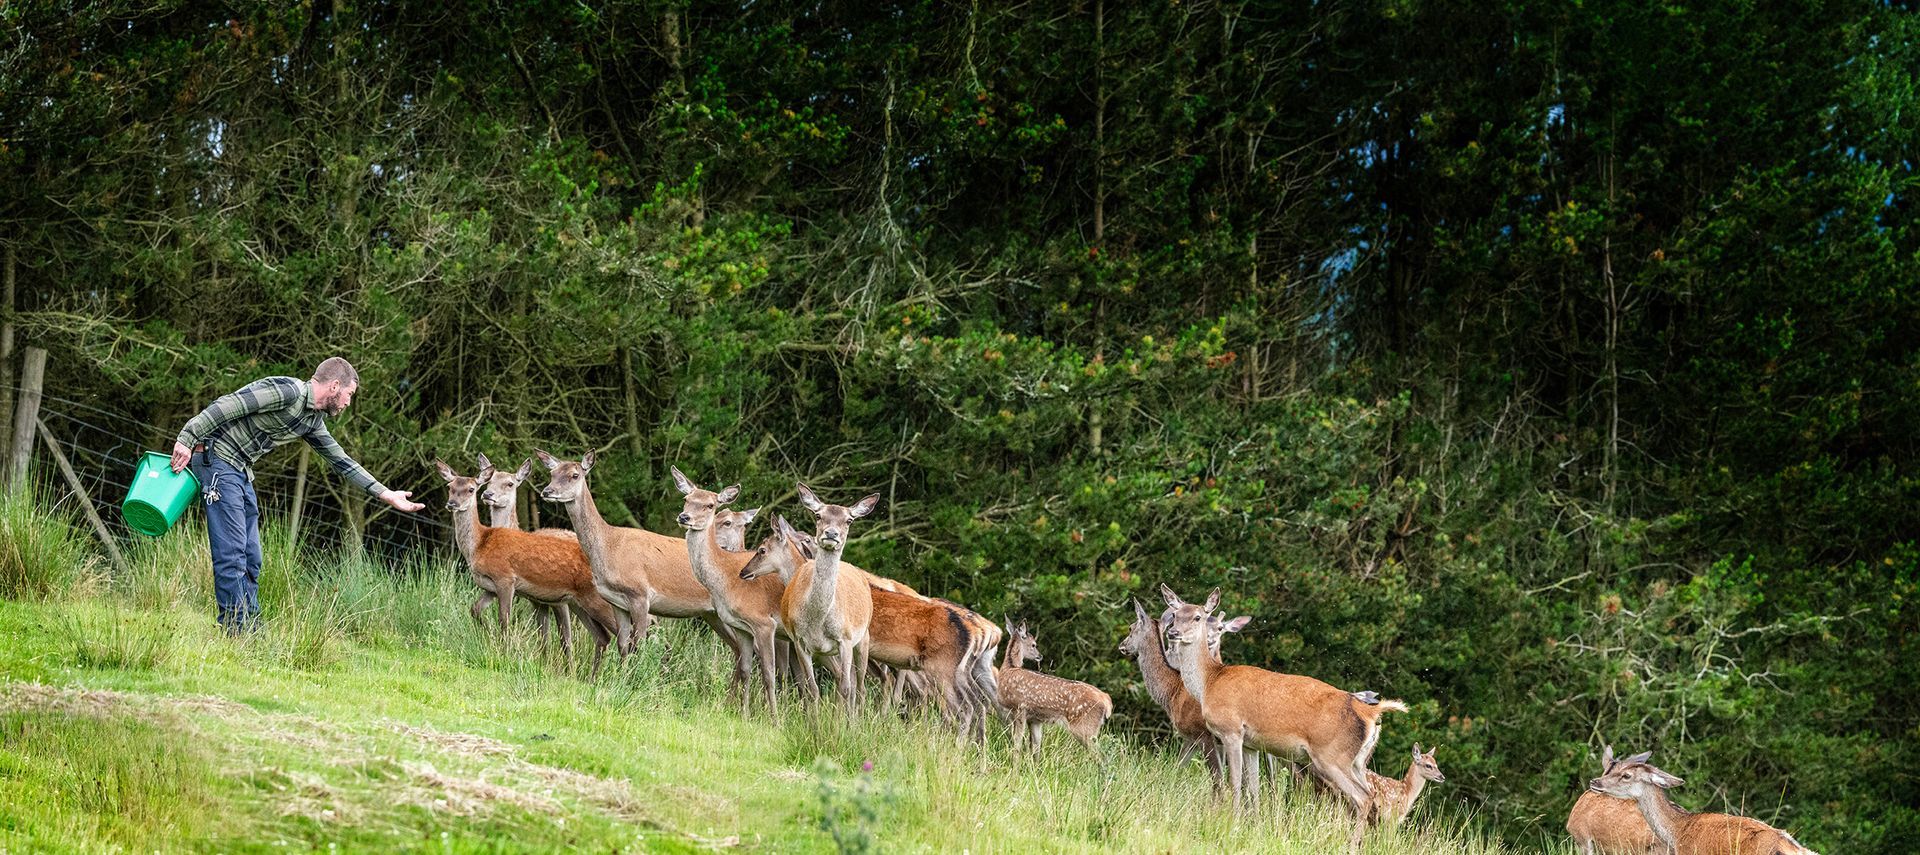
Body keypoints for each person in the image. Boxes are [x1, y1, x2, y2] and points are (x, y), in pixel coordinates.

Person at [169, 357, 424, 632]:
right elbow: (227, 405)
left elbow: (342, 460)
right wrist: (186, 438)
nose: (349, 403)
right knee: (231, 553)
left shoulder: (312, 420)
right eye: (349, 395)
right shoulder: (287, 392)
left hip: (240, 469)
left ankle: (252, 627)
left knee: (251, 555)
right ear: (335, 386)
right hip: (217, 458)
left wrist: (385, 493)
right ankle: (236, 629)